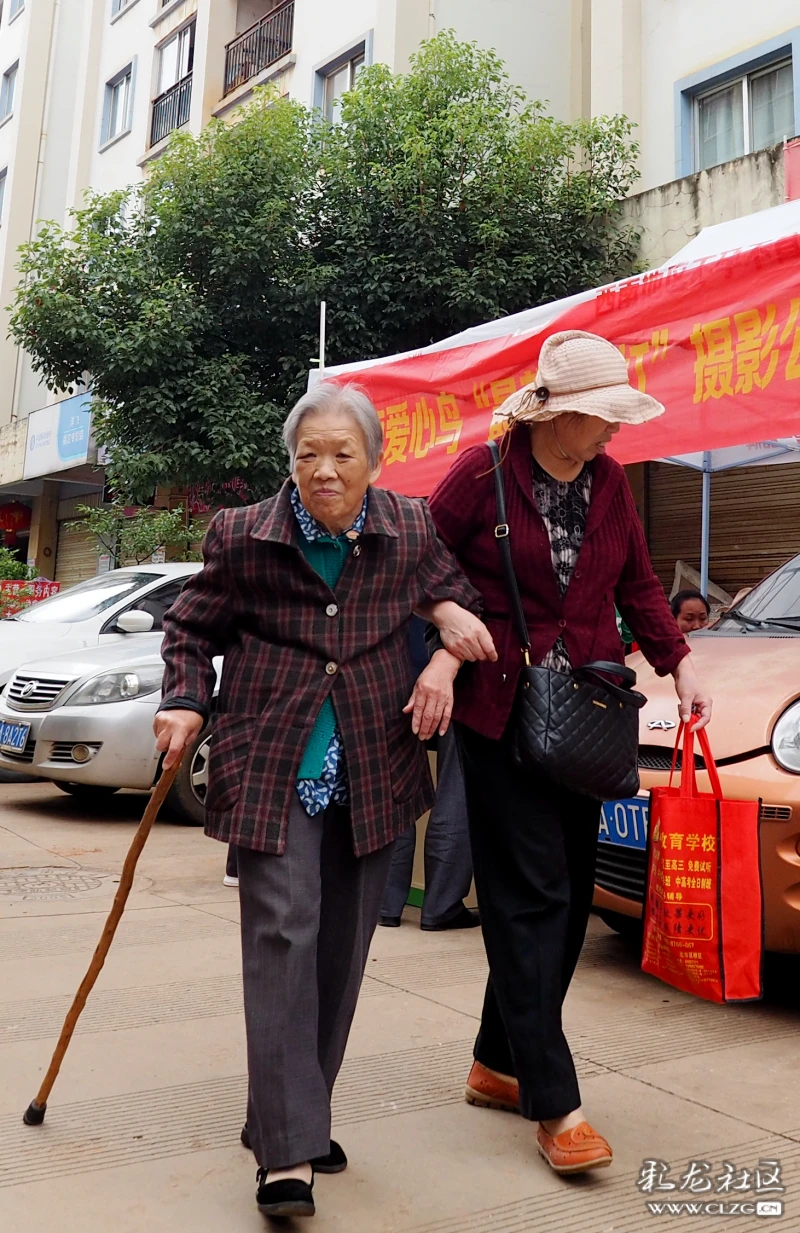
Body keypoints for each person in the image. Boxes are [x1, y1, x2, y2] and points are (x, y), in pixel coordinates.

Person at [153, 382, 495, 1220]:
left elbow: (461, 600)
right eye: (309, 454)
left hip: (372, 766)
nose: (325, 470)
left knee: (342, 951)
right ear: (290, 461)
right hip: (271, 763)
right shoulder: (241, 535)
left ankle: (285, 1111)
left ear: (374, 462)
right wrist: (186, 695)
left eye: (344, 453)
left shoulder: (409, 526)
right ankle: (287, 1155)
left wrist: (445, 650)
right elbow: (191, 626)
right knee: (282, 937)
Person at [427, 330, 712, 1177]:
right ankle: (556, 1101)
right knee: (528, 899)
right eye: (602, 418)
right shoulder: (484, 473)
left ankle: (496, 1060)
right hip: (498, 712)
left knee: (568, 895)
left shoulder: (610, 481)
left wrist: (680, 661)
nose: (613, 432)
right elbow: (422, 558)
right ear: (559, 414)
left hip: (585, 713)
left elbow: (636, 585)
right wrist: (448, 622)